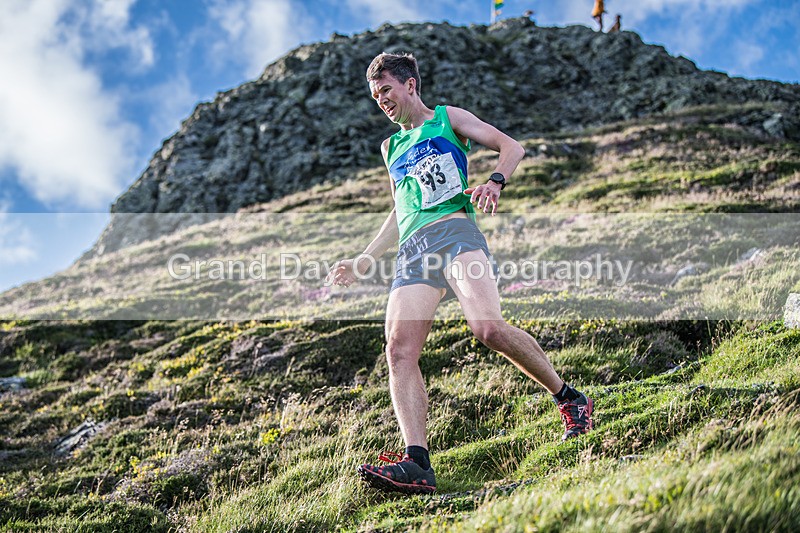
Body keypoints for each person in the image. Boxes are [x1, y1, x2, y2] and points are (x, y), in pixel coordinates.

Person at [326, 52, 593, 495]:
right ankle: (417, 463)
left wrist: (495, 181)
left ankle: (569, 398)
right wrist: (364, 258)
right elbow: (399, 209)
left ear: (410, 85)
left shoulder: (448, 118)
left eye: (387, 91)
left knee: (487, 328)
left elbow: (512, 147)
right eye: (375, 97)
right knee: (398, 351)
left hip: (456, 234)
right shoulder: (389, 147)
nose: (382, 102)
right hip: (414, 251)